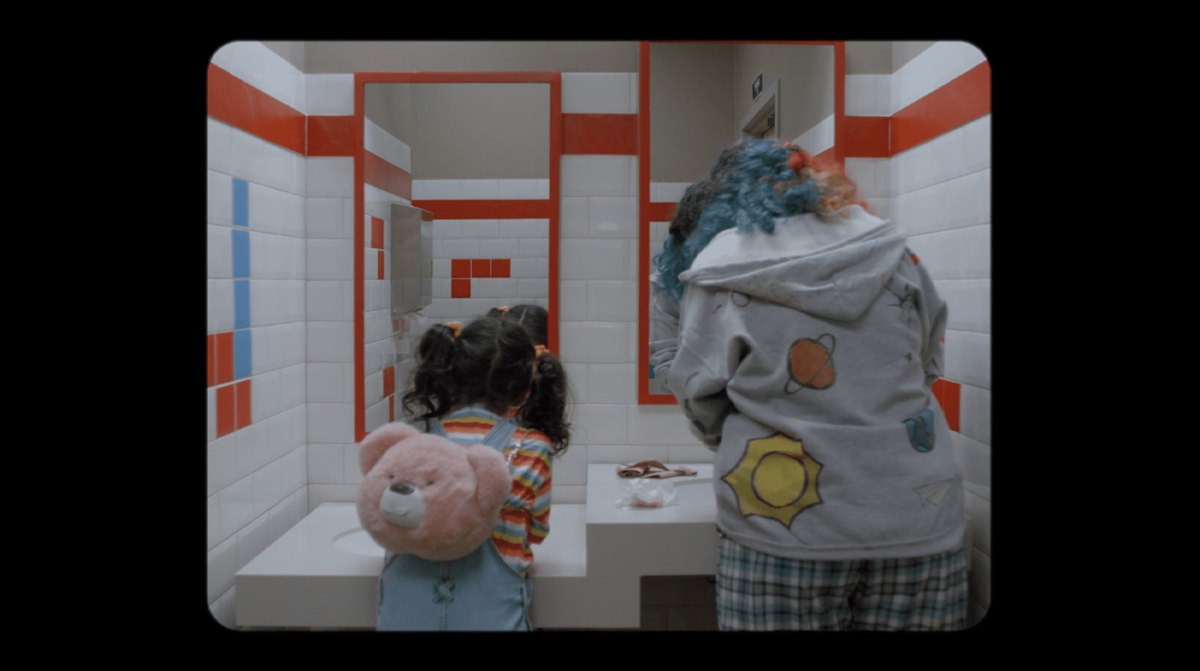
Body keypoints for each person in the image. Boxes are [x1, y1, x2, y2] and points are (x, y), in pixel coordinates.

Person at [649, 139, 967, 631]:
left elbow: (699, 392)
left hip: (784, 524)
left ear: (724, 200)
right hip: (918, 517)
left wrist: (739, 438)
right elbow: (926, 363)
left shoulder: (721, 269)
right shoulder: (895, 253)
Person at [378, 316, 570, 631]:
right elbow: (536, 534)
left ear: (450, 377)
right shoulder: (532, 448)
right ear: (523, 389)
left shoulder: (411, 446)